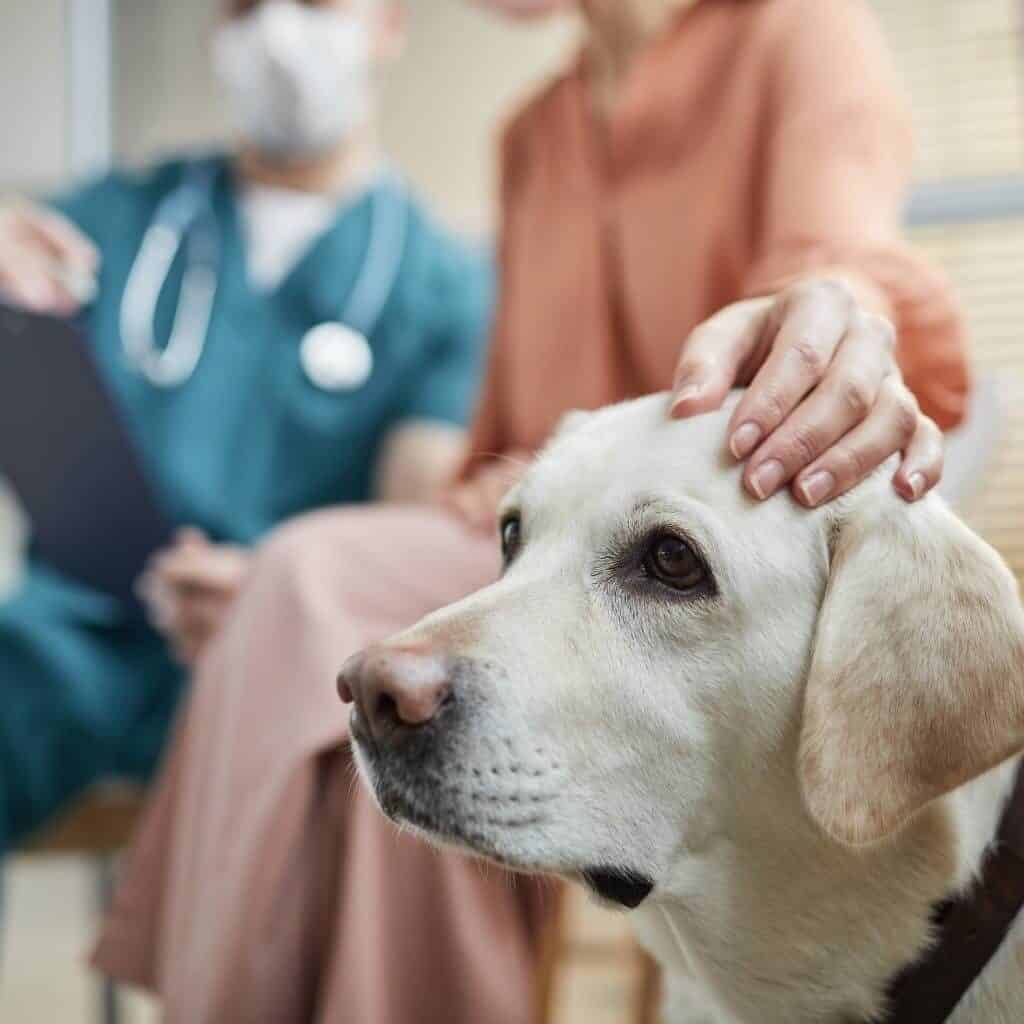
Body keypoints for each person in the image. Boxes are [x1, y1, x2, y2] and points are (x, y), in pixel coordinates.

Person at [94, 0, 969, 1021]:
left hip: (715, 554)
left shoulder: (795, 32)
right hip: (535, 543)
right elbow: (504, 454)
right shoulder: (530, 134)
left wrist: (830, 312)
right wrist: (316, 585)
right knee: (306, 605)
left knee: (313, 591)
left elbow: (839, 257)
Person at [0, 0, 491, 856]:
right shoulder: (119, 218)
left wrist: (276, 593)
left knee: (342, 823)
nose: (278, 32)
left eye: (314, 5)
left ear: (388, 25)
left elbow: (401, 533)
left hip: (283, 661)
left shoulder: (443, 285)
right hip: (71, 648)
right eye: (246, 6)